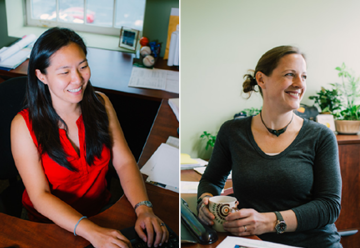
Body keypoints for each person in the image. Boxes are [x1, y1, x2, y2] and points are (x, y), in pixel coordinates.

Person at [11, 27, 168, 248]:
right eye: (64, 72)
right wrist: (92, 233)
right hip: (48, 225)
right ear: (41, 76)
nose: (77, 79)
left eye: (82, 66)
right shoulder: (23, 125)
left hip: (101, 214)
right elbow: (40, 195)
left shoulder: (101, 103)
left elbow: (123, 162)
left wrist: (144, 208)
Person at [197, 46, 342, 248]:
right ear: (261, 79)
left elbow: (329, 206)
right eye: (290, 75)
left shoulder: (321, 136)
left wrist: (268, 222)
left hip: (314, 242)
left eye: (304, 76)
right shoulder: (232, 131)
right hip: (252, 242)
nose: (300, 84)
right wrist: (205, 202)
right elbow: (212, 180)